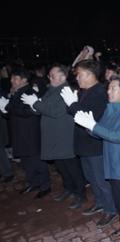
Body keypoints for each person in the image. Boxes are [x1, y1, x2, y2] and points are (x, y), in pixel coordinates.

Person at [74, 75, 120, 242]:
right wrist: (89, 127)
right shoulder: (110, 108)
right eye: (109, 88)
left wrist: (94, 126)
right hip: (112, 163)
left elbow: (118, 136)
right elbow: (102, 132)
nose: (108, 91)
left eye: (113, 88)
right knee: (119, 200)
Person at [20, 64, 87, 208]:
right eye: (49, 75)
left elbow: (56, 111)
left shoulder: (66, 90)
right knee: (61, 167)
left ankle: (80, 194)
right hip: (53, 137)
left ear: (62, 77)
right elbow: (41, 109)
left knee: (71, 168)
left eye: (52, 75)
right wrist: (34, 104)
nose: (49, 77)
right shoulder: (51, 90)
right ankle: (69, 189)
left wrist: (36, 104)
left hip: (64, 137)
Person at [60, 59, 117, 228]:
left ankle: (111, 209)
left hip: (94, 145)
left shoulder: (99, 92)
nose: (77, 78)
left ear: (91, 75)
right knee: (92, 178)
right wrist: (73, 104)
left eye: (80, 75)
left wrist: (73, 105)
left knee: (101, 180)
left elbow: (89, 117)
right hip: (84, 144)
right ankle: (100, 202)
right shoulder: (85, 91)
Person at [0, 68, 50, 198]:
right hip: (19, 132)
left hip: (30, 133)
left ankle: (45, 185)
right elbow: (11, 111)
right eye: (12, 78)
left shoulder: (28, 92)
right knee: (26, 160)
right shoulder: (16, 91)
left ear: (24, 80)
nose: (12, 81)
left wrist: (9, 109)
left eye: (15, 78)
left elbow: (29, 112)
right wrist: (4, 110)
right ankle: (33, 182)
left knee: (37, 160)